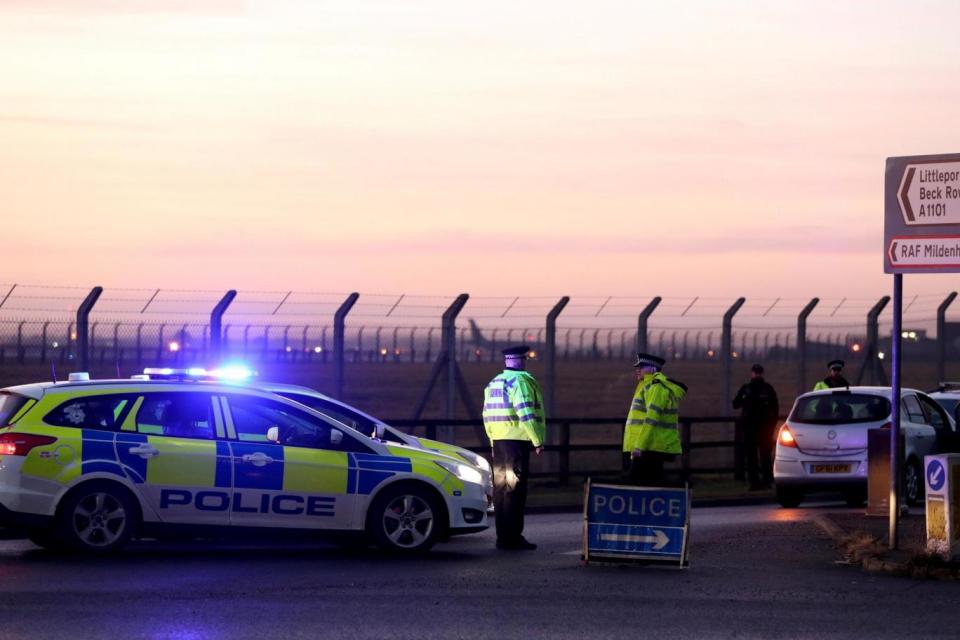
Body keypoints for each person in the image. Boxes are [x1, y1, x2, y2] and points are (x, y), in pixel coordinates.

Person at [482, 345, 545, 551]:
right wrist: (537, 440)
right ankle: (513, 538)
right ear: (521, 360)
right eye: (525, 359)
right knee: (515, 490)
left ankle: (503, 537)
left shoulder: (494, 383)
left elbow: (487, 416)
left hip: (499, 444)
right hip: (516, 443)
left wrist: (492, 442)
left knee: (501, 490)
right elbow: (526, 413)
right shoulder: (521, 382)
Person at [622, 352, 688, 487]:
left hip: (650, 447)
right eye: (637, 367)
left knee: (637, 485)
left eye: (642, 366)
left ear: (652, 369)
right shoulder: (647, 386)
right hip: (650, 446)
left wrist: (639, 446)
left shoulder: (656, 388)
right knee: (650, 485)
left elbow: (651, 420)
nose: (638, 369)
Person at [732, 364, 780, 490]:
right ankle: (756, 482)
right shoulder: (750, 389)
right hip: (751, 428)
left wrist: (771, 426)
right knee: (753, 456)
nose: (757, 375)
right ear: (753, 373)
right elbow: (735, 404)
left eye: (758, 372)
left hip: (762, 428)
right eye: (756, 372)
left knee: (763, 456)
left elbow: (775, 409)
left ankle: (765, 481)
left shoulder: (764, 389)